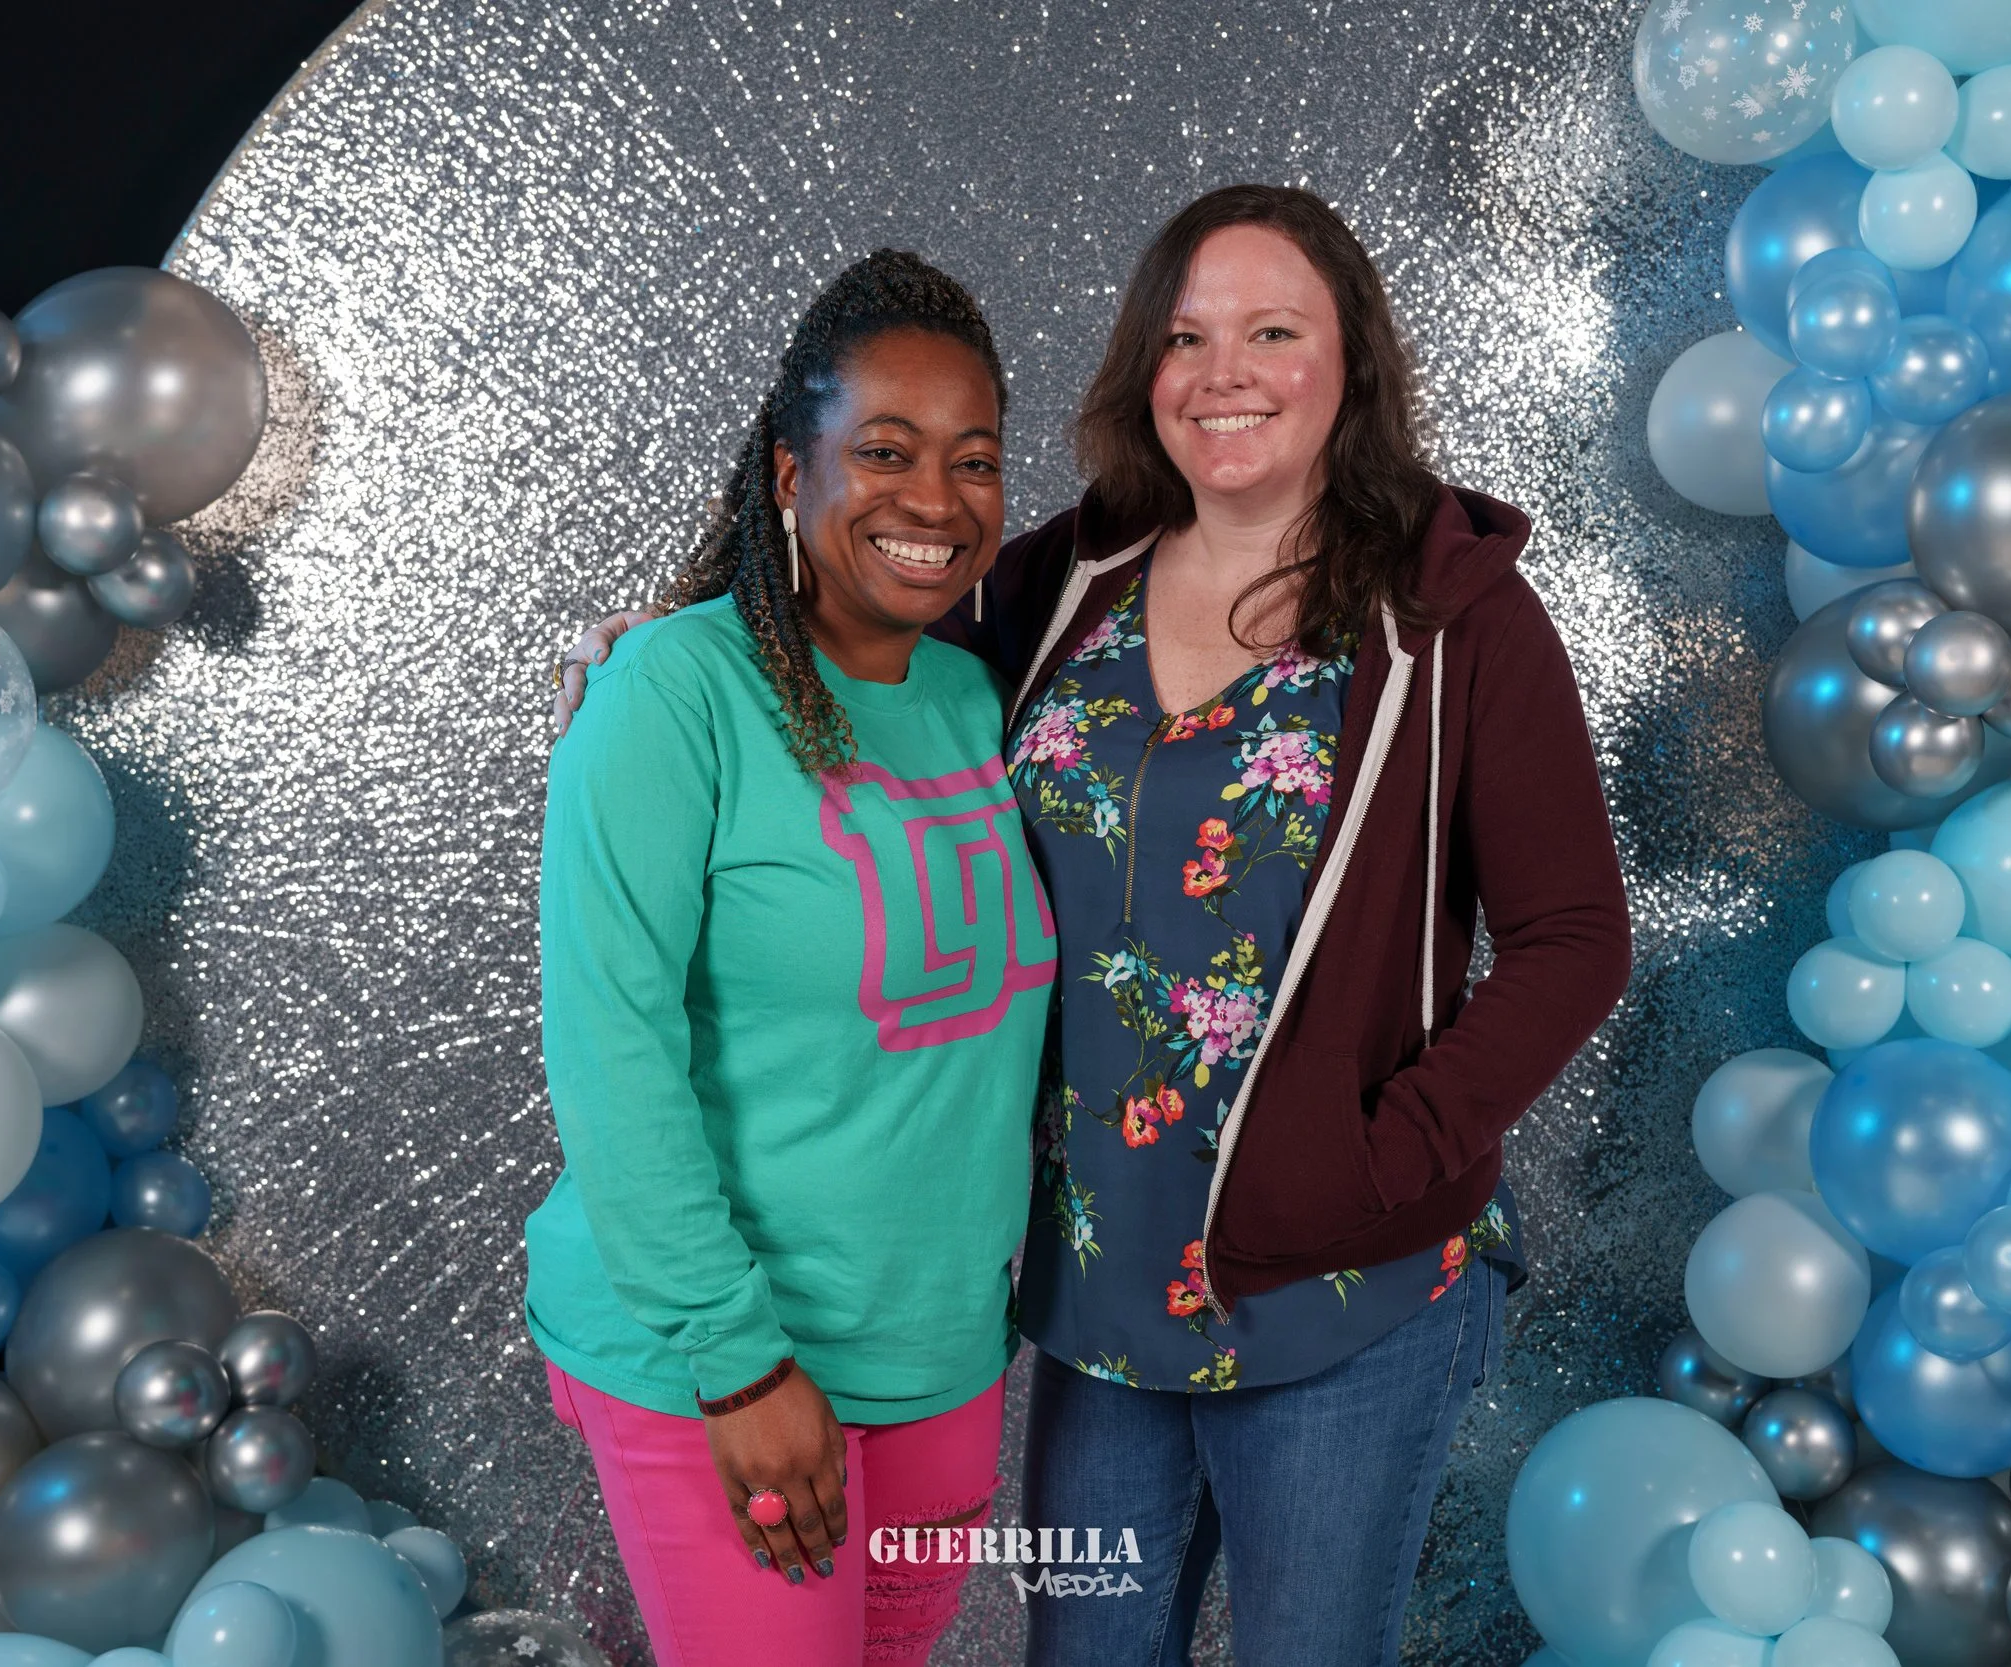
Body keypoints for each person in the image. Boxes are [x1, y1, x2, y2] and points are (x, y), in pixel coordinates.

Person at [554, 186, 1631, 1666]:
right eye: (1187, 336)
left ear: (1354, 366)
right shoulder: (1059, 586)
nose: (1225, 371)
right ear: (1144, 370)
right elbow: (836, 638)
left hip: (1338, 1284)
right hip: (1099, 1289)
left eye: (1274, 330)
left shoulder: (1448, 617)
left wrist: (1382, 1152)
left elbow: (1576, 937)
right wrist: (653, 648)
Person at [527, 248, 1057, 1667]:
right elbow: (608, 1043)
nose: (933, 501)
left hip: (938, 1351)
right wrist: (736, 1358)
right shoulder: (674, 690)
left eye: (974, 460)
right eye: (882, 451)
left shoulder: (973, 695)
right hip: (726, 1357)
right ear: (786, 472)